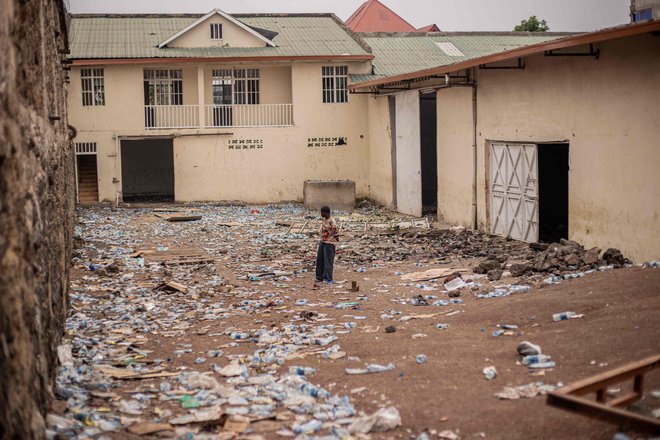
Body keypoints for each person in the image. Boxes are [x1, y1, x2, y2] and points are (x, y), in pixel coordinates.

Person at [315, 205, 339, 284]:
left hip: (329, 242)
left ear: (326, 212)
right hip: (323, 241)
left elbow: (336, 231)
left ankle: (328, 278)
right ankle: (319, 277)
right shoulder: (325, 220)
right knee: (320, 260)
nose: (321, 214)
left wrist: (335, 239)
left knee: (328, 261)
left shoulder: (332, 221)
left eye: (322, 212)